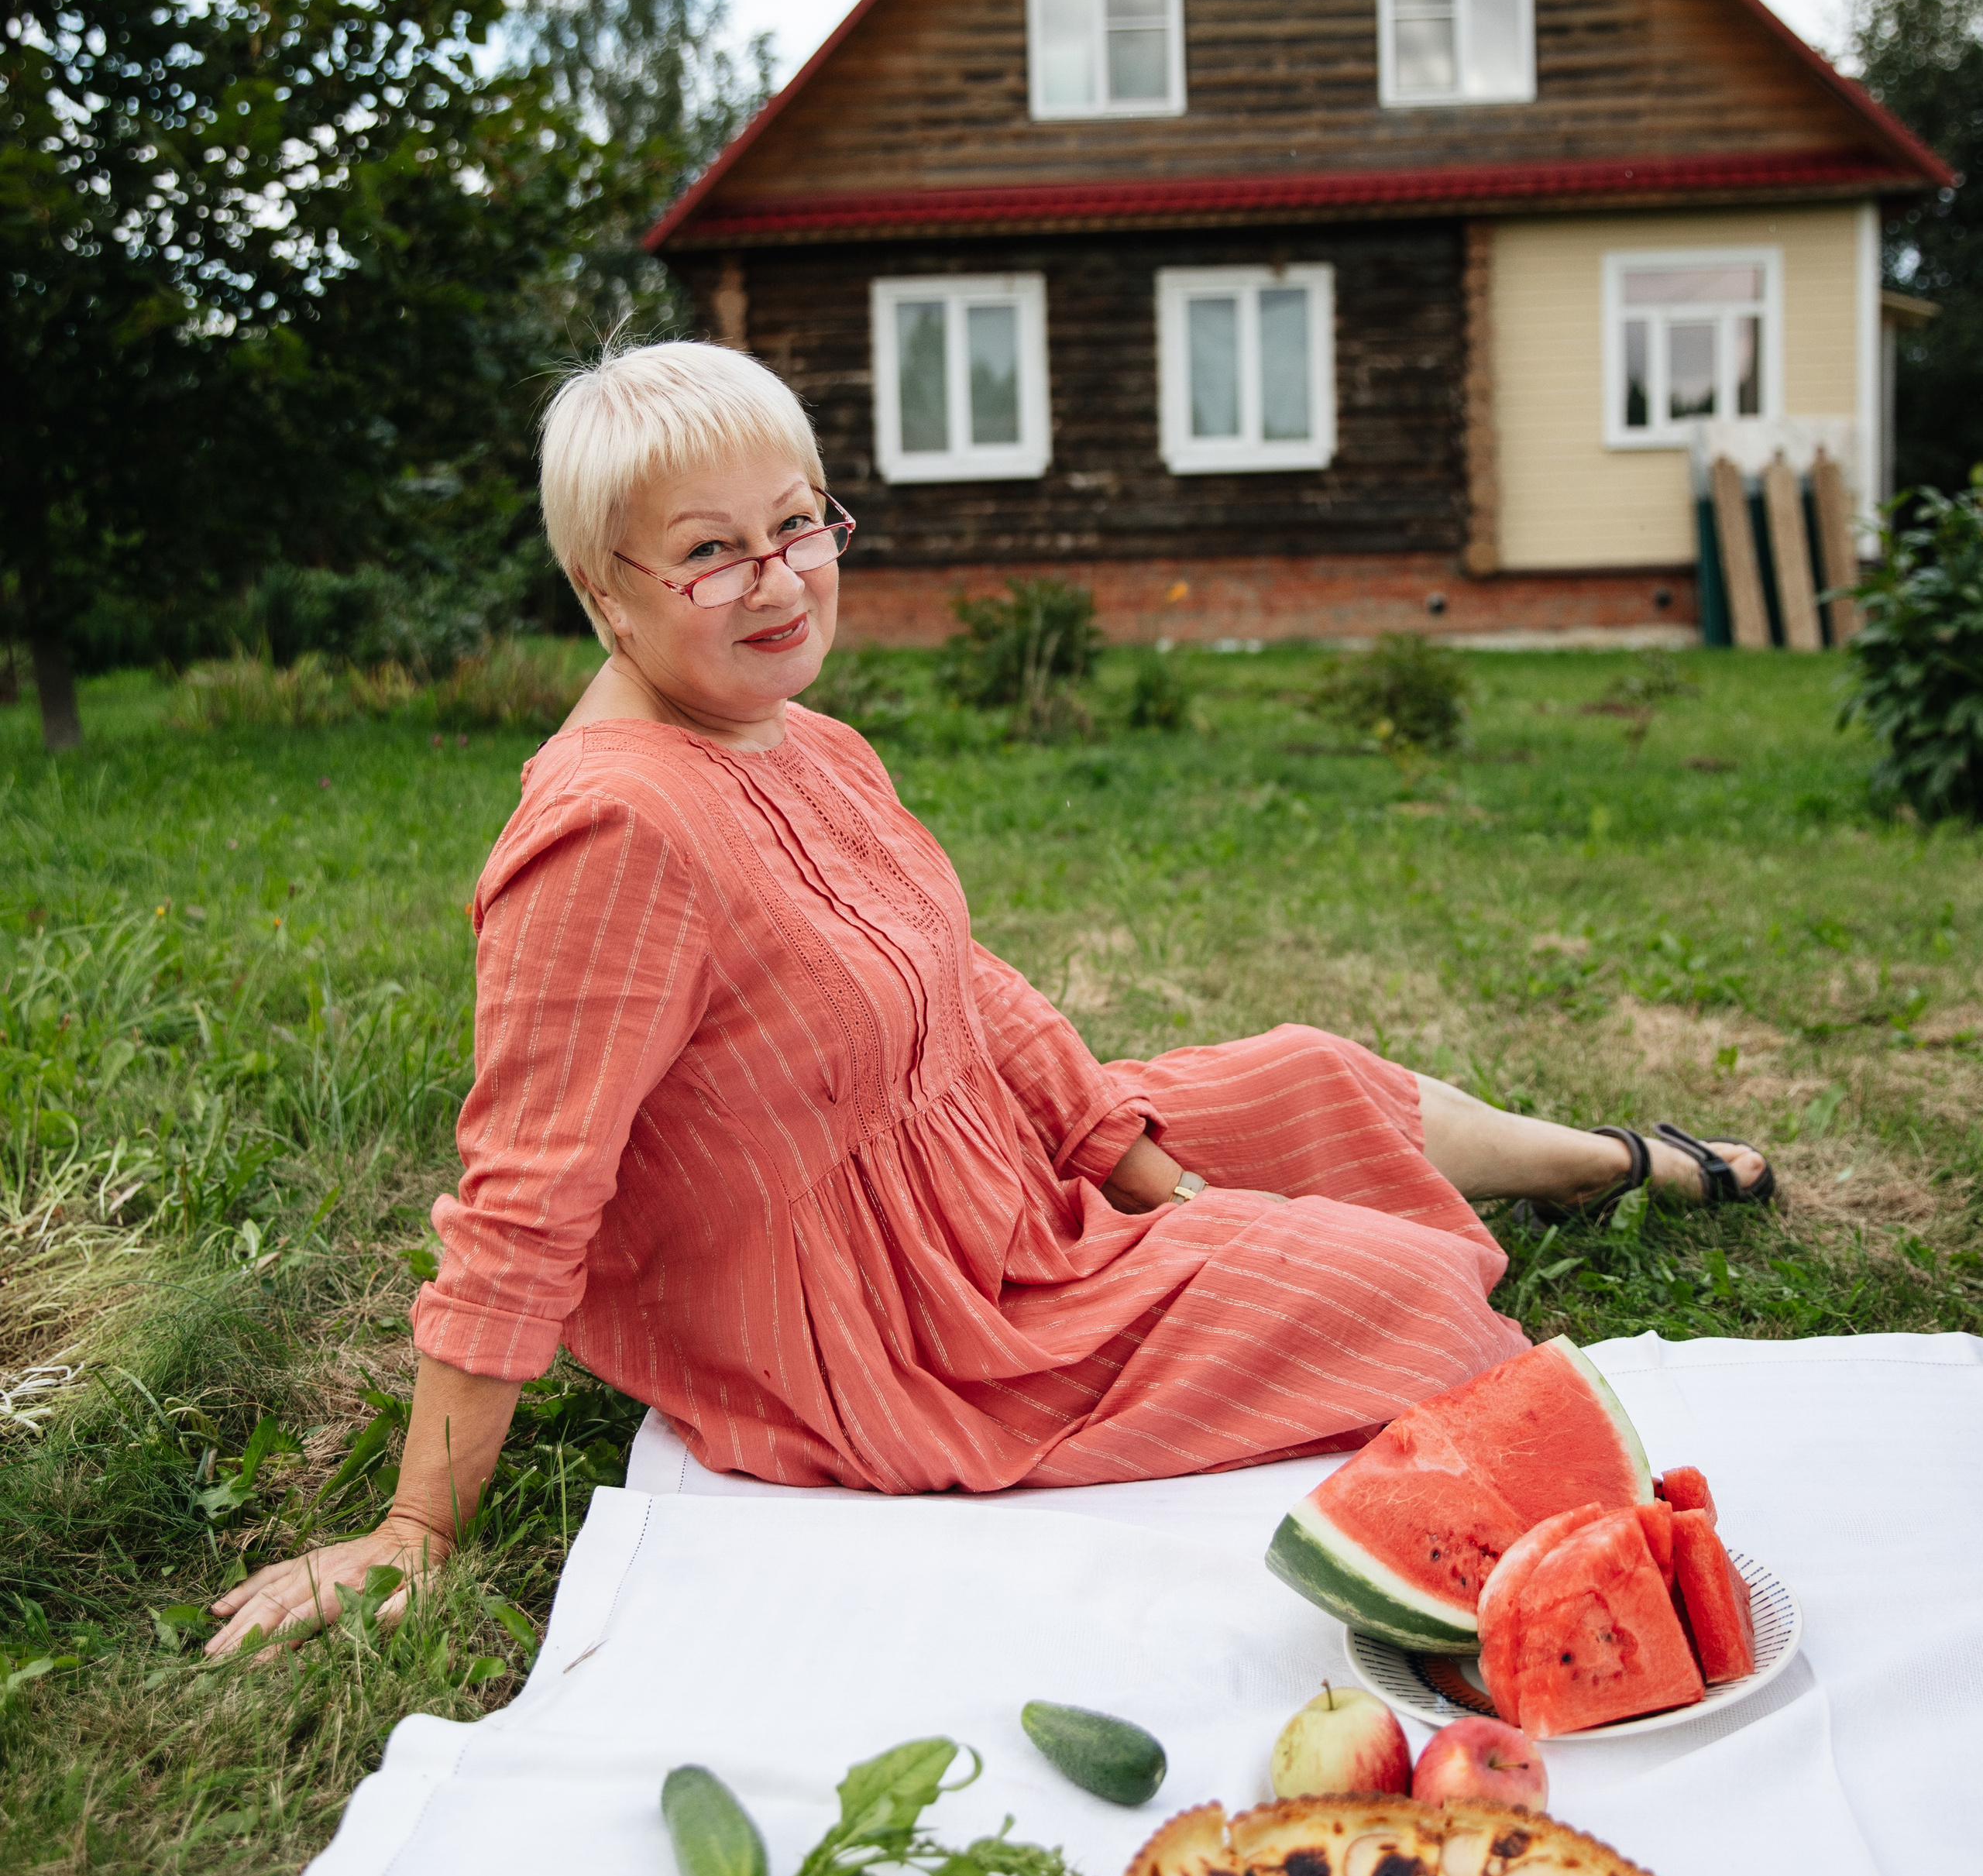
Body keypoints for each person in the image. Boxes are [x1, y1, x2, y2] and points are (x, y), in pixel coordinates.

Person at [208, 344, 1770, 1657]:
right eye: (707, 551)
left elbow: (963, 980)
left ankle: (1591, 1163)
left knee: (1301, 1076)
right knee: (1412, 1300)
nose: (778, 581)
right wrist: (418, 1525)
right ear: (597, 590)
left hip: (952, 1155)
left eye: (799, 523)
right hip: (895, 1317)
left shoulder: (797, 738)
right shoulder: (612, 829)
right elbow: (521, 1201)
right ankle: (1405, 1227)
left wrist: (1128, 1158)